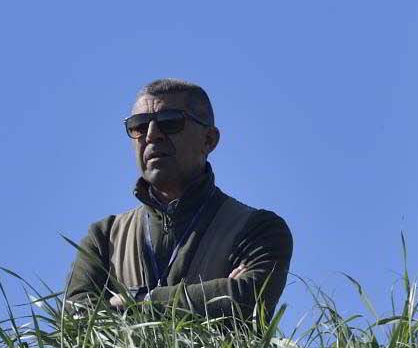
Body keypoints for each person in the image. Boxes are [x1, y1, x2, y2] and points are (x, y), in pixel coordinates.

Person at [62, 78, 293, 323]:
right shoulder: (104, 237)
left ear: (209, 139)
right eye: (139, 126)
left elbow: (244, 300)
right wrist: (211, 297)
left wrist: (133, 301)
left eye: (170, 122)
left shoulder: (257, 229)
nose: (152, 135)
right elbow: (77, 319)